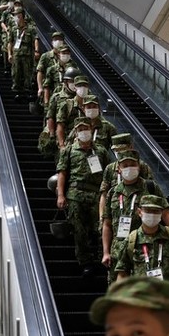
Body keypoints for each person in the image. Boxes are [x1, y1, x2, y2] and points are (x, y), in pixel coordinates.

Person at [100, 152, 169, 285]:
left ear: (139, 166)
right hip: (118, 249)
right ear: (119, 169)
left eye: (133, 165)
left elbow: (166, 214)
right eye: (125, 165)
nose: (129, 168)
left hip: (146, 247)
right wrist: (106, 252)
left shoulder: (150, 187)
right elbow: (107, 224)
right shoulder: (113, 192)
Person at [56, 116, 109, 277]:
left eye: (85, 129)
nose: (83, 132)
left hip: (96, 196)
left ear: (91, 130)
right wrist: (60, 195)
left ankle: (102, 259)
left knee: (100, 229)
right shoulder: (69, 151)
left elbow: (108, 174)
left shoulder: (100, 151)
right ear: (76, 133)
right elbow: (62, 173)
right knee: (79, 230)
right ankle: (85, 262)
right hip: (75, 195)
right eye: (80, 130)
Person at [9, 4, 38, 97]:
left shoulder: (30, 29)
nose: (15, 17)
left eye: (17, 15)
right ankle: (16, 91)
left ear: (21, 15)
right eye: (14, 15)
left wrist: (37, 51)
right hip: (16, 54)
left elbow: (35, 39)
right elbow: (10, 42)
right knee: (16, 72)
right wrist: (9, 54)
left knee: (27, 73)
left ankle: (27, 90)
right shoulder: (13, 29)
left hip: (27, 54)